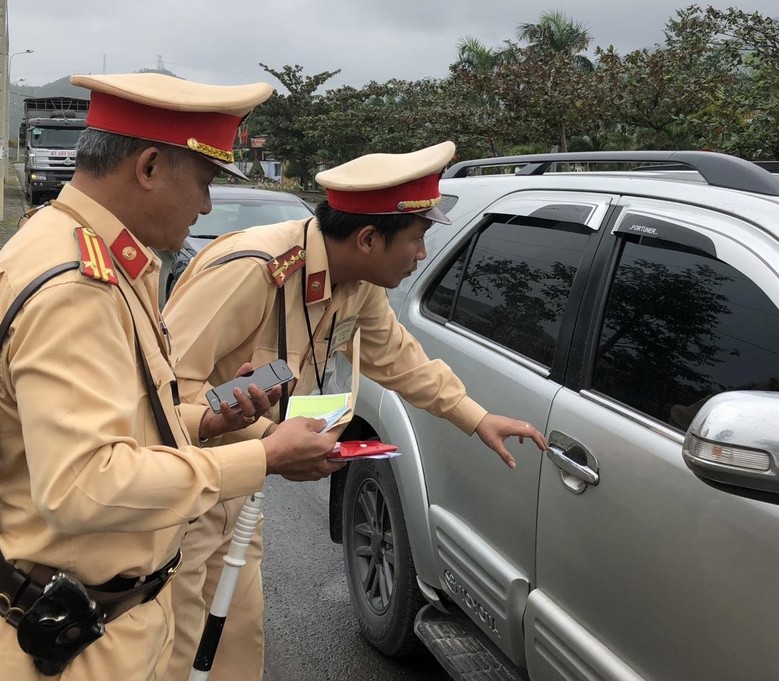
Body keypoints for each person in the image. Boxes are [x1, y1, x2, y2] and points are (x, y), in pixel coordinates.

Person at [0, 73, 344, 681]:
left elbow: (115, 426)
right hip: (74, 643)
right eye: (205, 182)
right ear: (150, 167)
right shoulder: (79, 286)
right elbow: (83, 485)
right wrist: (261, 459)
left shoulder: (79, 249)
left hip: (97, 618)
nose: (208, 207)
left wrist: (205, 418)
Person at [162, 140, 548, 681]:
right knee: (176, 646)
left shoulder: (358, 283)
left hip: (242, 488)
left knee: (236, 641)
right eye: (416, 240)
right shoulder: (251, 272)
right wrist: (257, 435)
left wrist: (475, 417)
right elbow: (159, 399)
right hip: (186, 492)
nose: (420, 255)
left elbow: (398, 358)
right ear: (368, 238)